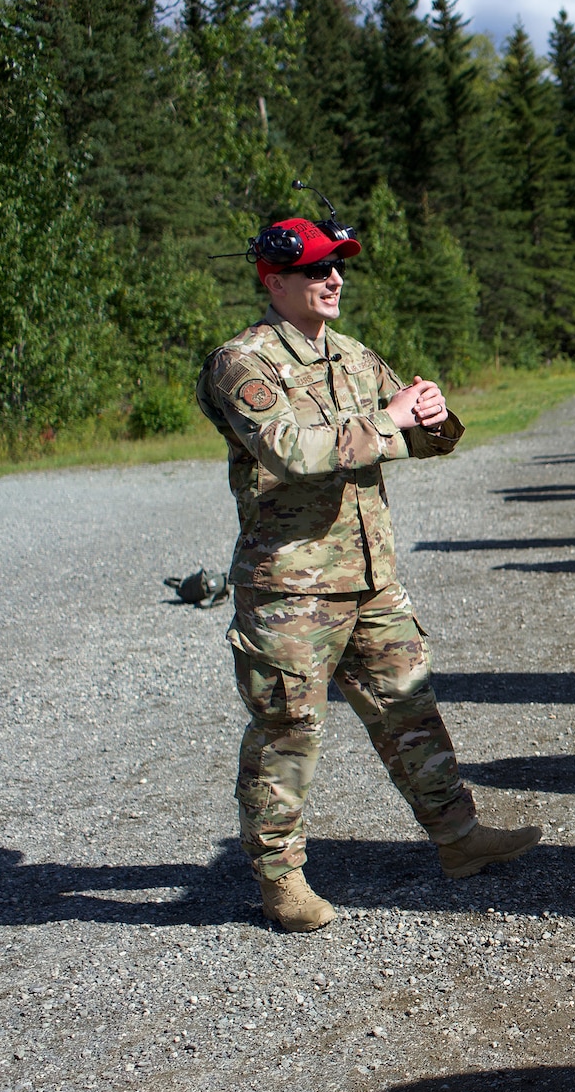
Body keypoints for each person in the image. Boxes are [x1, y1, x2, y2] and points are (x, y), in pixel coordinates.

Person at [196, 216, 542, 933]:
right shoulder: (242, 362)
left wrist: (436, 419)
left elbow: (424, 436)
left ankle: (459, 839)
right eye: (319, 269)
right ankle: (280, 881)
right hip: (292, 587)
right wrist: (390, 420)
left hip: (369, 576)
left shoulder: (354, 356)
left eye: (338, 267)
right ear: (275, 280)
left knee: (410, 710)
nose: (334, 280)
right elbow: (288, 448)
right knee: (287, 727)